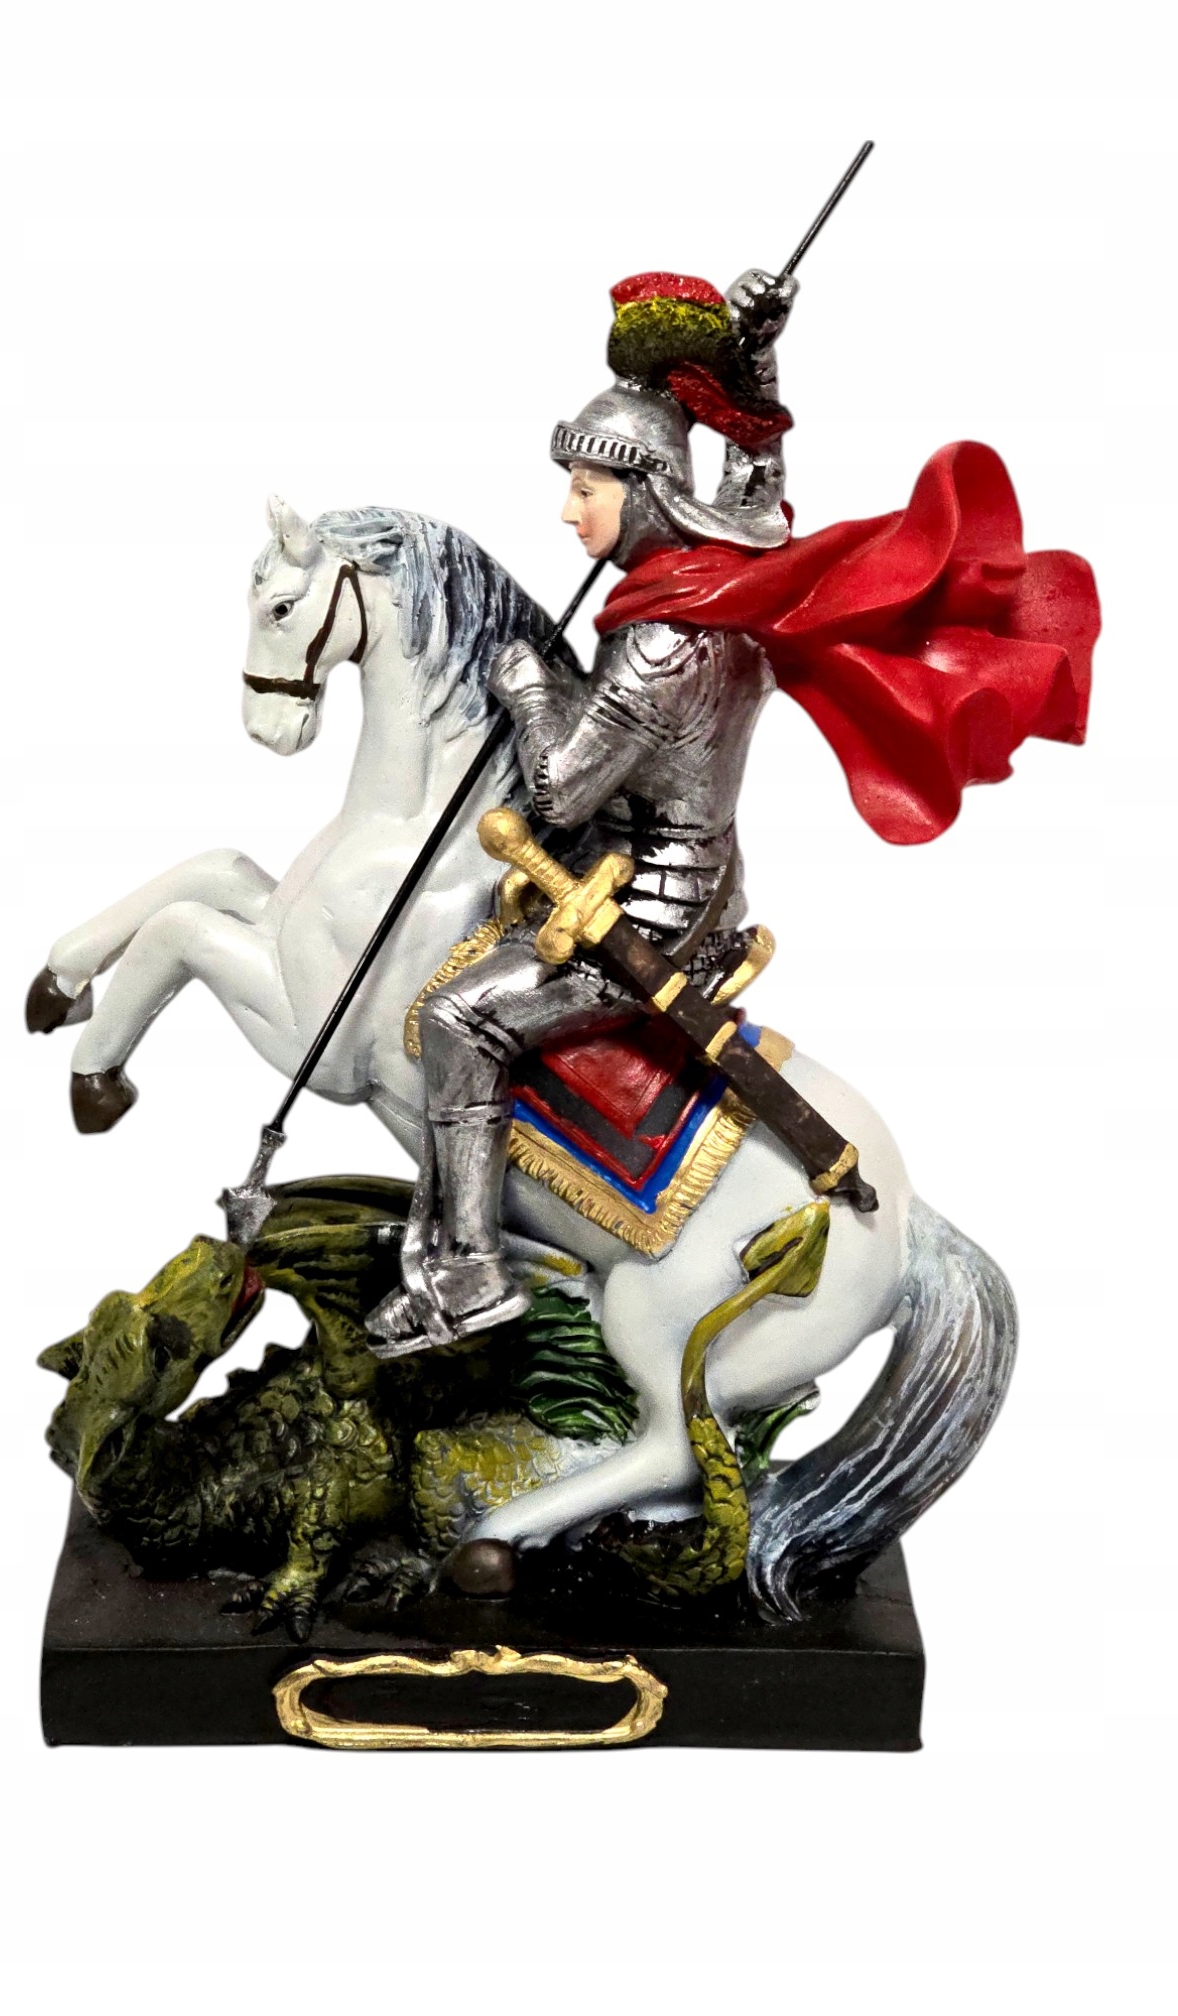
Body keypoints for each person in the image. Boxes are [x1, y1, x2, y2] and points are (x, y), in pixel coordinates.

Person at [367, 269, 798, 1354]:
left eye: (586, 489)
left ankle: (471, 1272)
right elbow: (758, 482)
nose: (568, 512)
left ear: (645, 490)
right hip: (675, 874)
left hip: (650, 914)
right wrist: (755, 360)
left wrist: (525, 680)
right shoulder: (719, 578)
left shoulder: (661, 640)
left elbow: (560, 786)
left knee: (461, 1018)